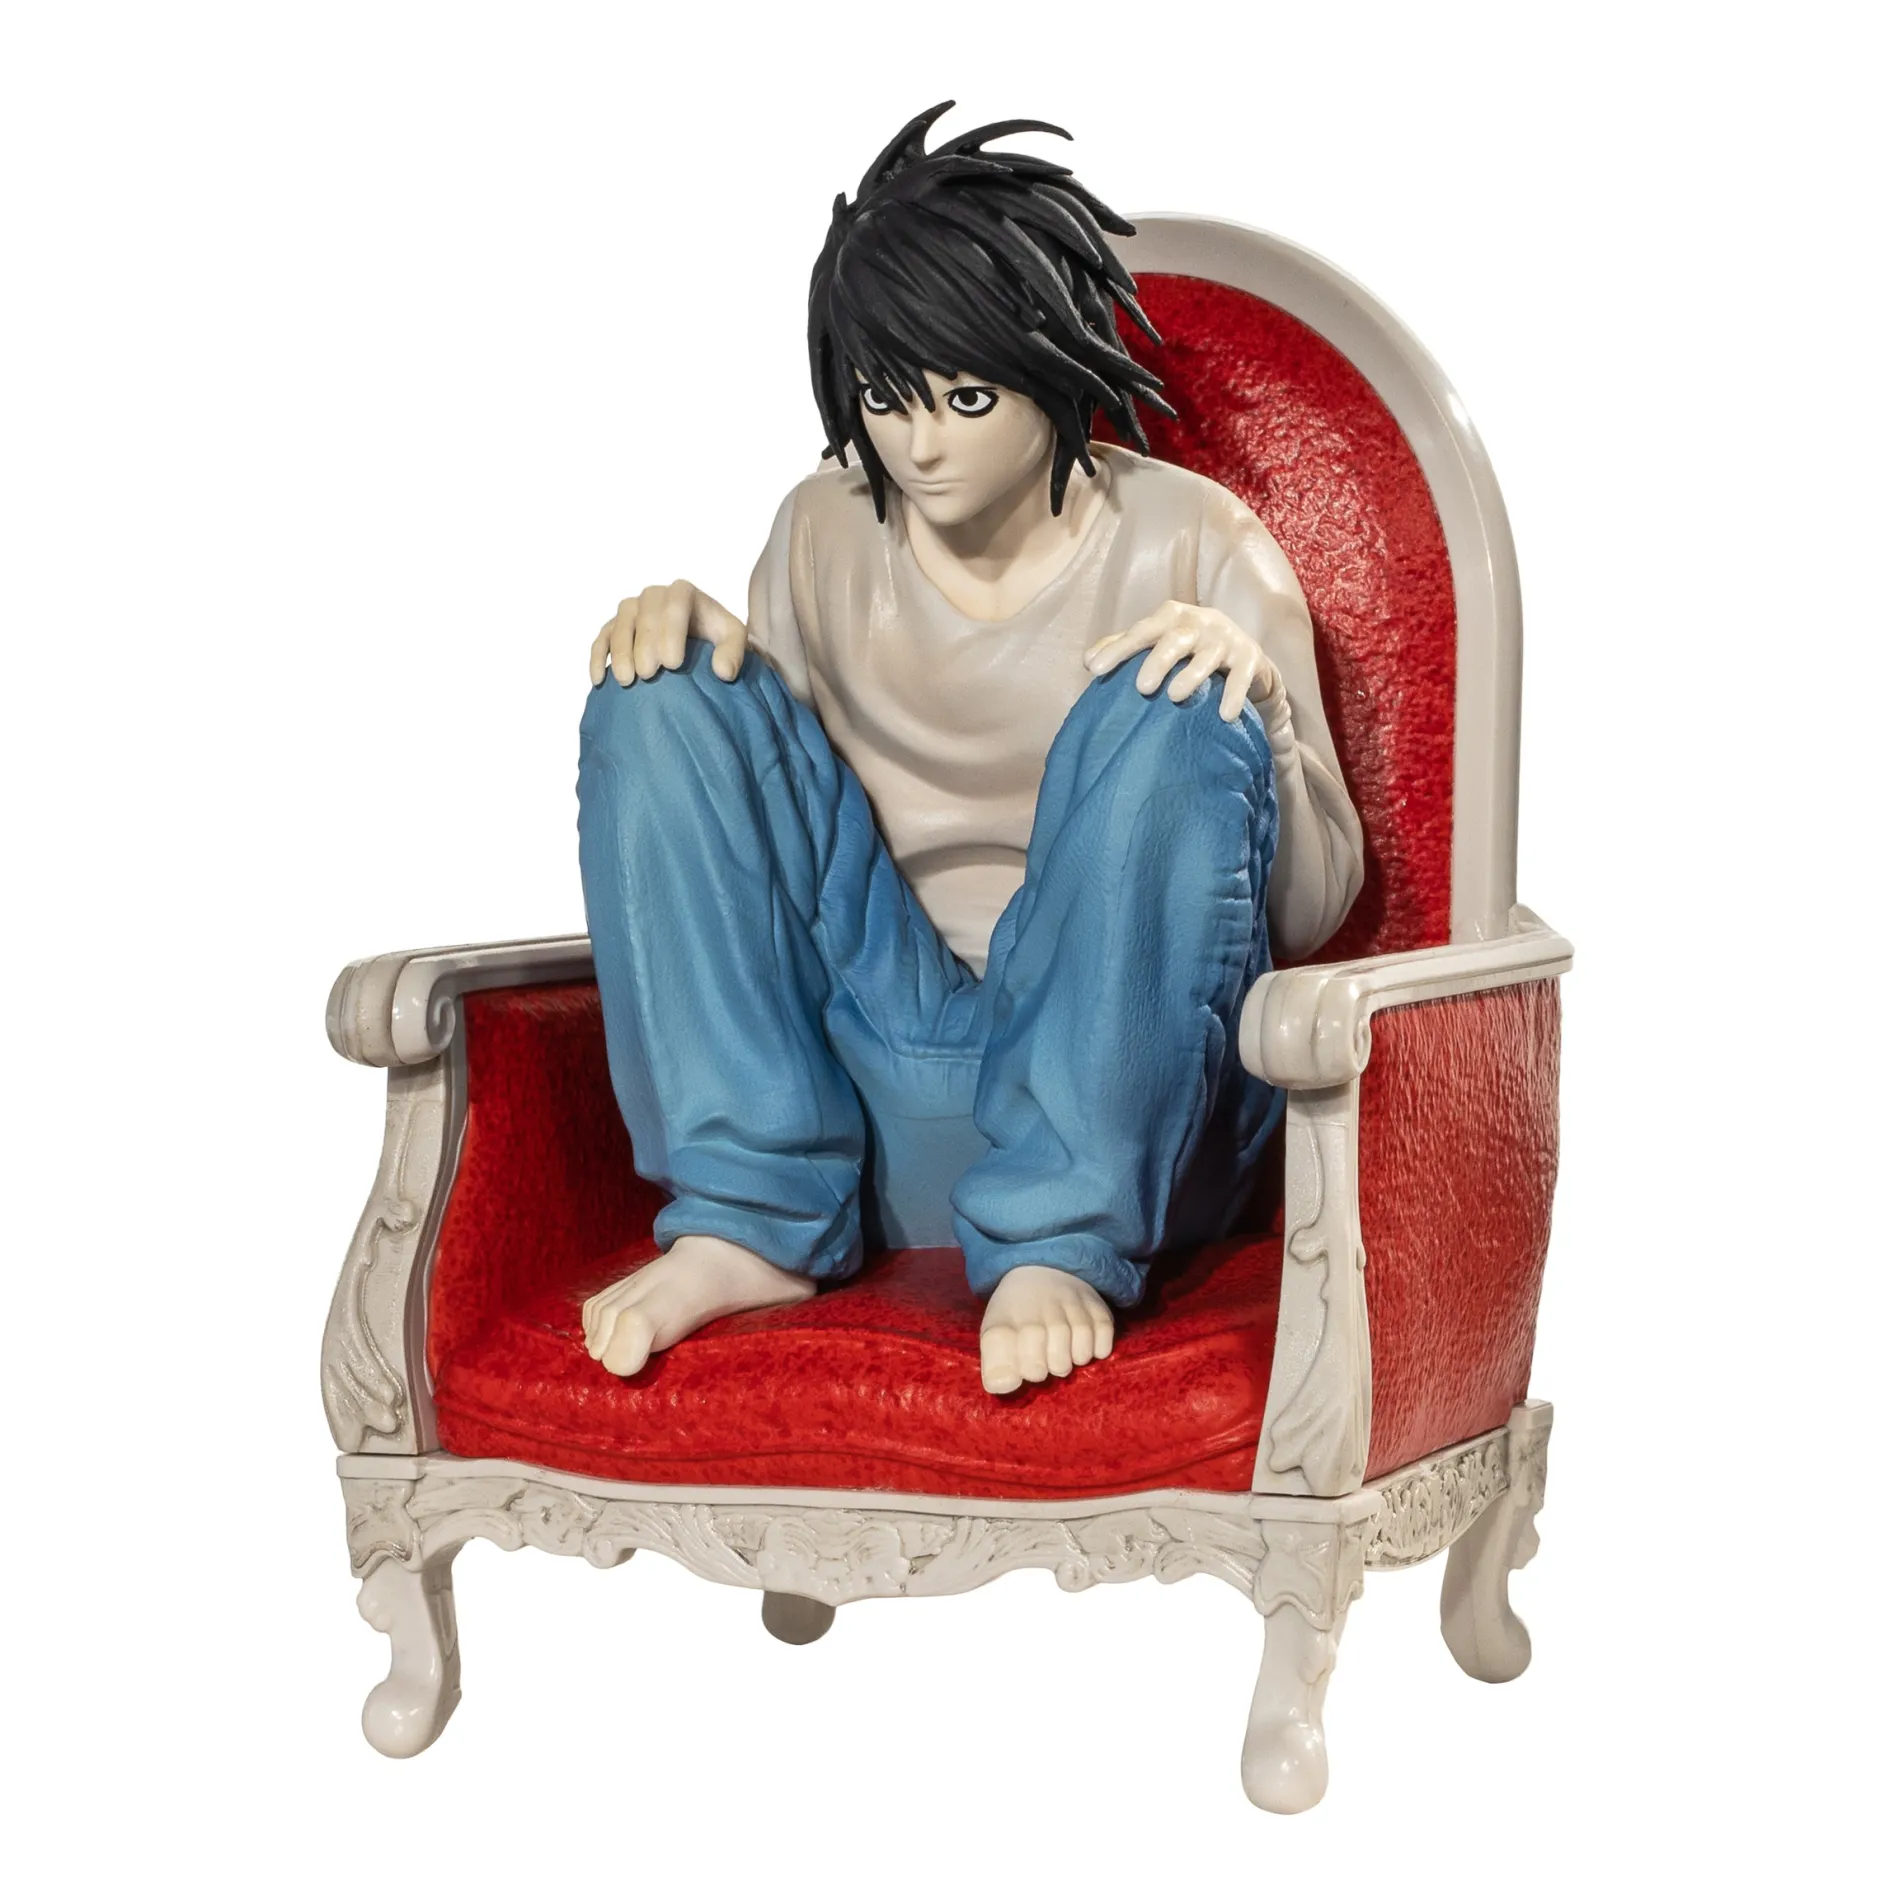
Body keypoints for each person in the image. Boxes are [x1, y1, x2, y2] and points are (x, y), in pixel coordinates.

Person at [576, 104, 1362, 1395]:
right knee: (658, 691)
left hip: (1130, 1094)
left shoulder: (1199, 541)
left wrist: (1257, 710)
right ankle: (746, 1216)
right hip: (883, 1053)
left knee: (1172, 699)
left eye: (967, 398)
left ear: (1053, 368)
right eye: (887, 400)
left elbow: (1315, 912)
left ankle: (1060, 1237)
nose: (922, 443)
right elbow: (773, 848)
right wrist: (709, 680)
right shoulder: (821, 532)